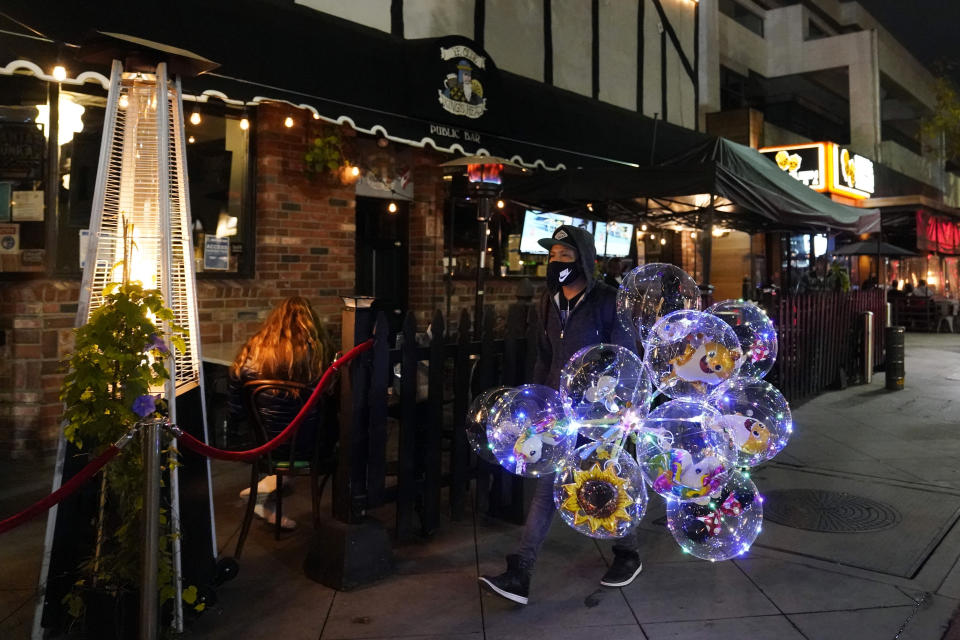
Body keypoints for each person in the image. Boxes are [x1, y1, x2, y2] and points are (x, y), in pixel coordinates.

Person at [478, 225, 642, 605]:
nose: (556, 262)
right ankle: (522, 570)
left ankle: (627, 552)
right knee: (550, 487)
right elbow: (544, 356)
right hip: (556, 410)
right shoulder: (547, 301)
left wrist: (618, 403)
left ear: (584, 260)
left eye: (565, 256)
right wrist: (537, 401)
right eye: (552, 256)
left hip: (598, 414)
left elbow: (626, 357)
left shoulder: (608, 301)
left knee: (605, 484)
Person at [228, 296, 334, 530]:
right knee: (339, 437)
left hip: (262, 445)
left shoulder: (251, 351)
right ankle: (352, 511)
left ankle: (264, 492)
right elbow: (331, 402)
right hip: (308, 446)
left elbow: (236, 407)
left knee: (288, 438)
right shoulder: (318, 355)